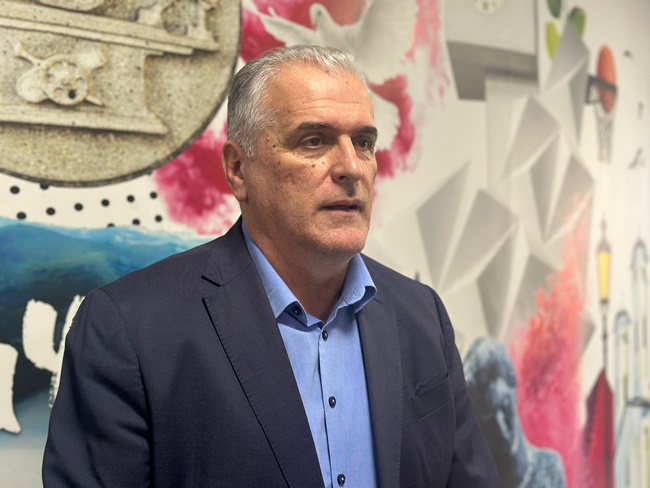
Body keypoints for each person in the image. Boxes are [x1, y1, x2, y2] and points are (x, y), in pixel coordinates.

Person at [43, 45, 499, 487]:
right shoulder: (130, 328)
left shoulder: (421, 315)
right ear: (239, 169)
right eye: (314, 141)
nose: (351, 167)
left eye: (363, 143)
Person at [464, 337, 567, 487]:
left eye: (504, 406)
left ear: (514, 393)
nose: (501, 428)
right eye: (489, 419)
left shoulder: (550, 469)